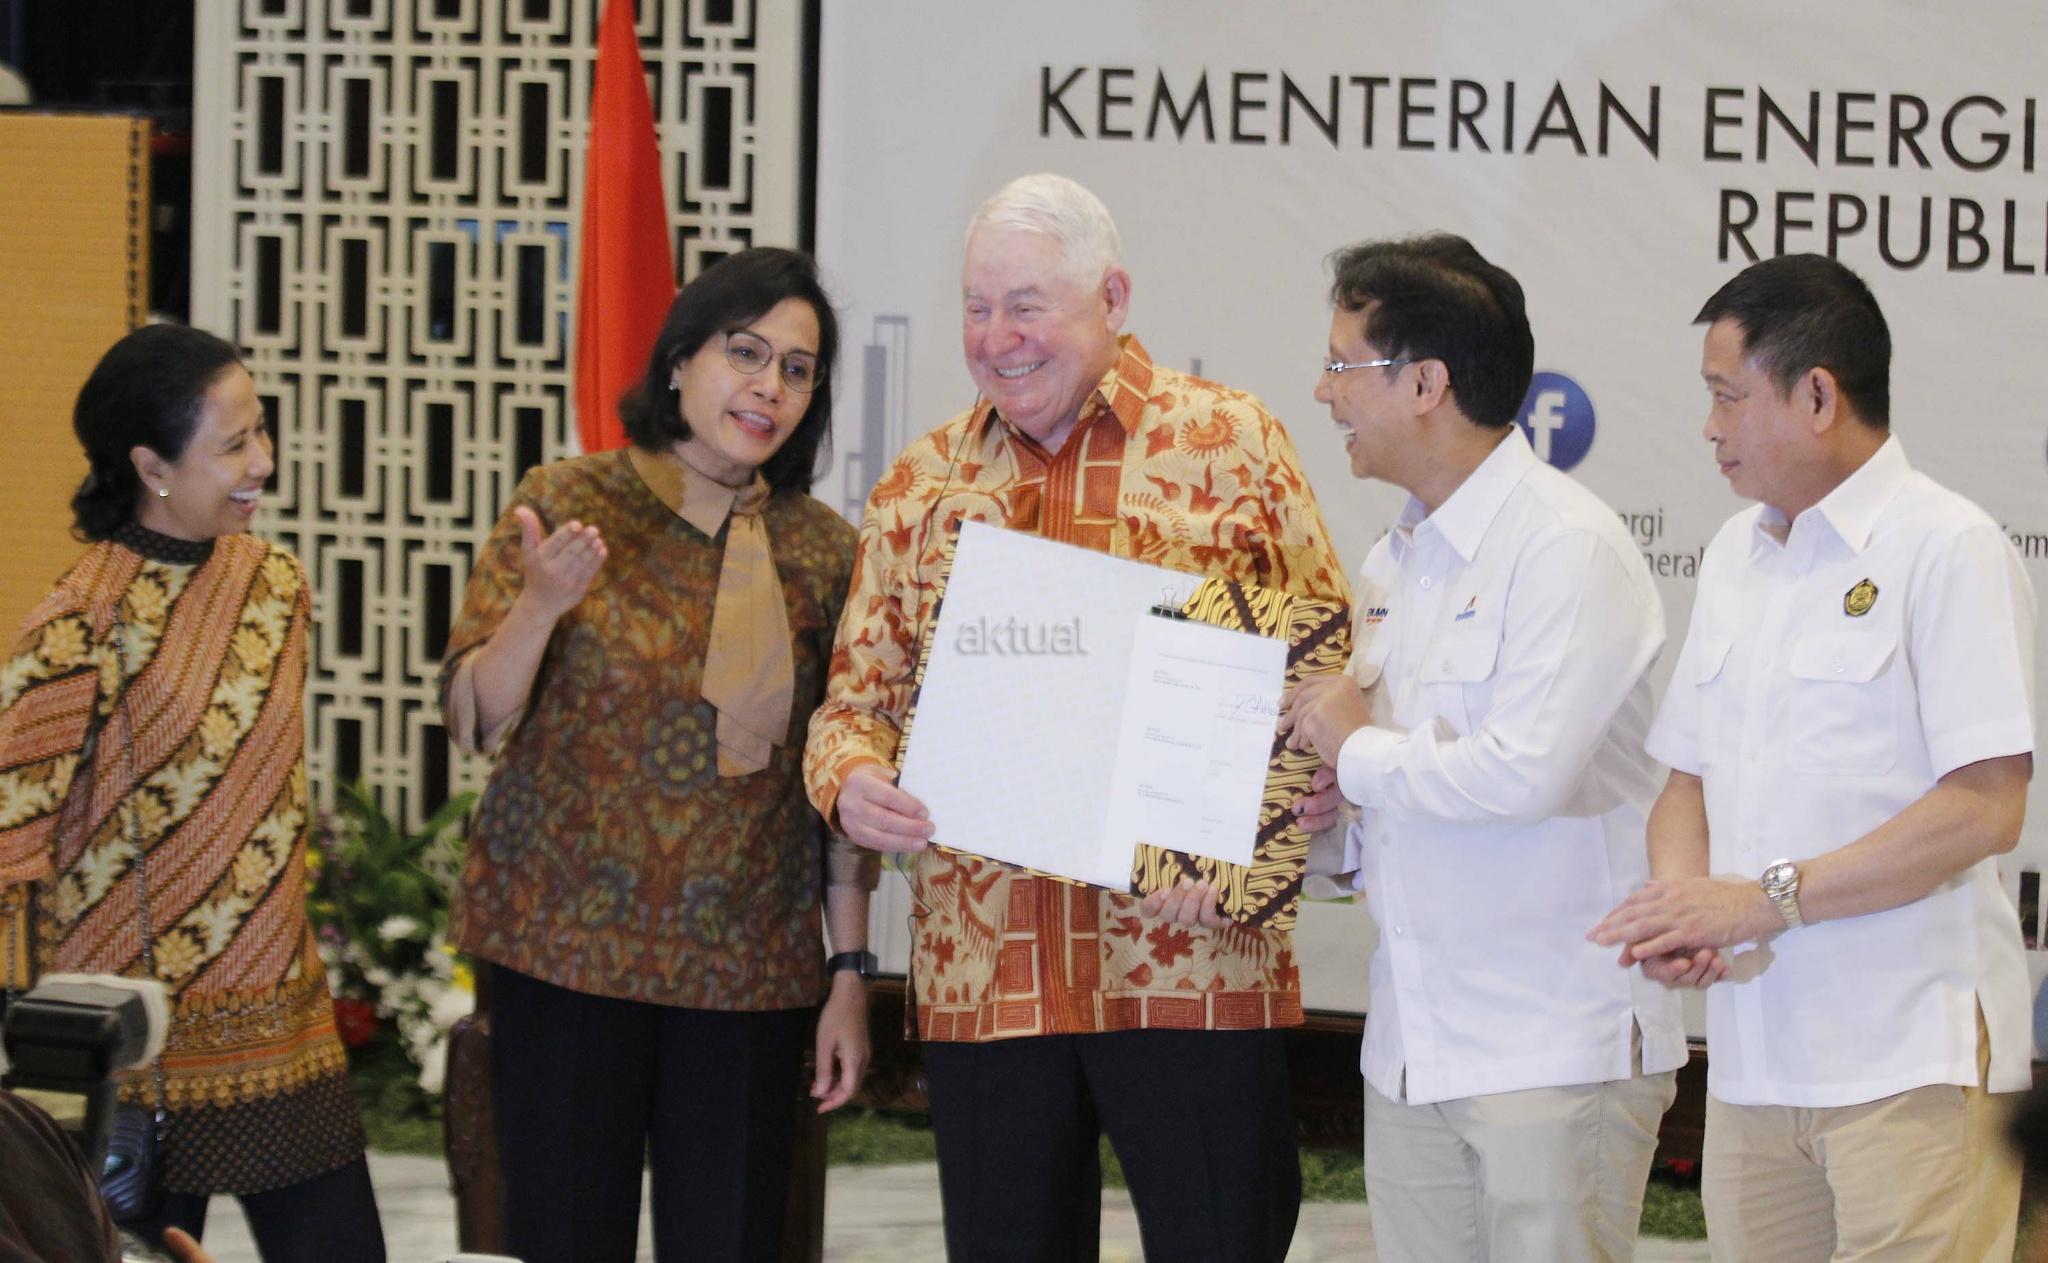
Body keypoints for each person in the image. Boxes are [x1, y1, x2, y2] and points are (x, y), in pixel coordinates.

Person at [804, 173, 1350, 1263]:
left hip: (1189, 961)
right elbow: (852, 705)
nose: (996, 338)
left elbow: (1322, 678)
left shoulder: (1230, 443)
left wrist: (1254, 825)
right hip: (987, 976)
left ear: (1112, 296)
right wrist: (852, 781)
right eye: (976, 307)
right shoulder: (920, 485)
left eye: (1026, 306)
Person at [1589, 253, 2036, 1261]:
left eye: (1726, 396)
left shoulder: (1946, 547)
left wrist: (1760, 901)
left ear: (1818, 396)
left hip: (1909, 1059)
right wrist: (1682, 906)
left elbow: (1984, 805)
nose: (1708, 426)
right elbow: (1685, 782)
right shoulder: (1735, 555)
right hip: (1755, 1059)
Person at [1250, 234, 1685, 1260]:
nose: (1322, 391)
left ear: (1425, 383)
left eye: (1343, 364)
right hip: (1415, 1045)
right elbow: (1397, 789)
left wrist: (1356, 752)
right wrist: (1329, 816)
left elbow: (1519, 775)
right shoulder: (1392, 559)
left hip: (1552, 1044)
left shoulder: (1565, 547)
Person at [440, 246, 875, 1263]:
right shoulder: (568, 499)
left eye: (797, 369)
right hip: (566, 957)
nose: (769, 386)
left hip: (748, 973)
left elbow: (839, 776)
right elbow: (473, 714)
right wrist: (539, 605)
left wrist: (850, 970)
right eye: (745, 352)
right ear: (680, 361)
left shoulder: (825, 550)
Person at [0, 325, 384, 1261]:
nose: (264, 462)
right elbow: (10, 830)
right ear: (151, 466)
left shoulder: (276, 583)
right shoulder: (78, 619)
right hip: (131, 1048)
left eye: (262, 431)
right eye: (234, 443)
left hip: (282, 1030)